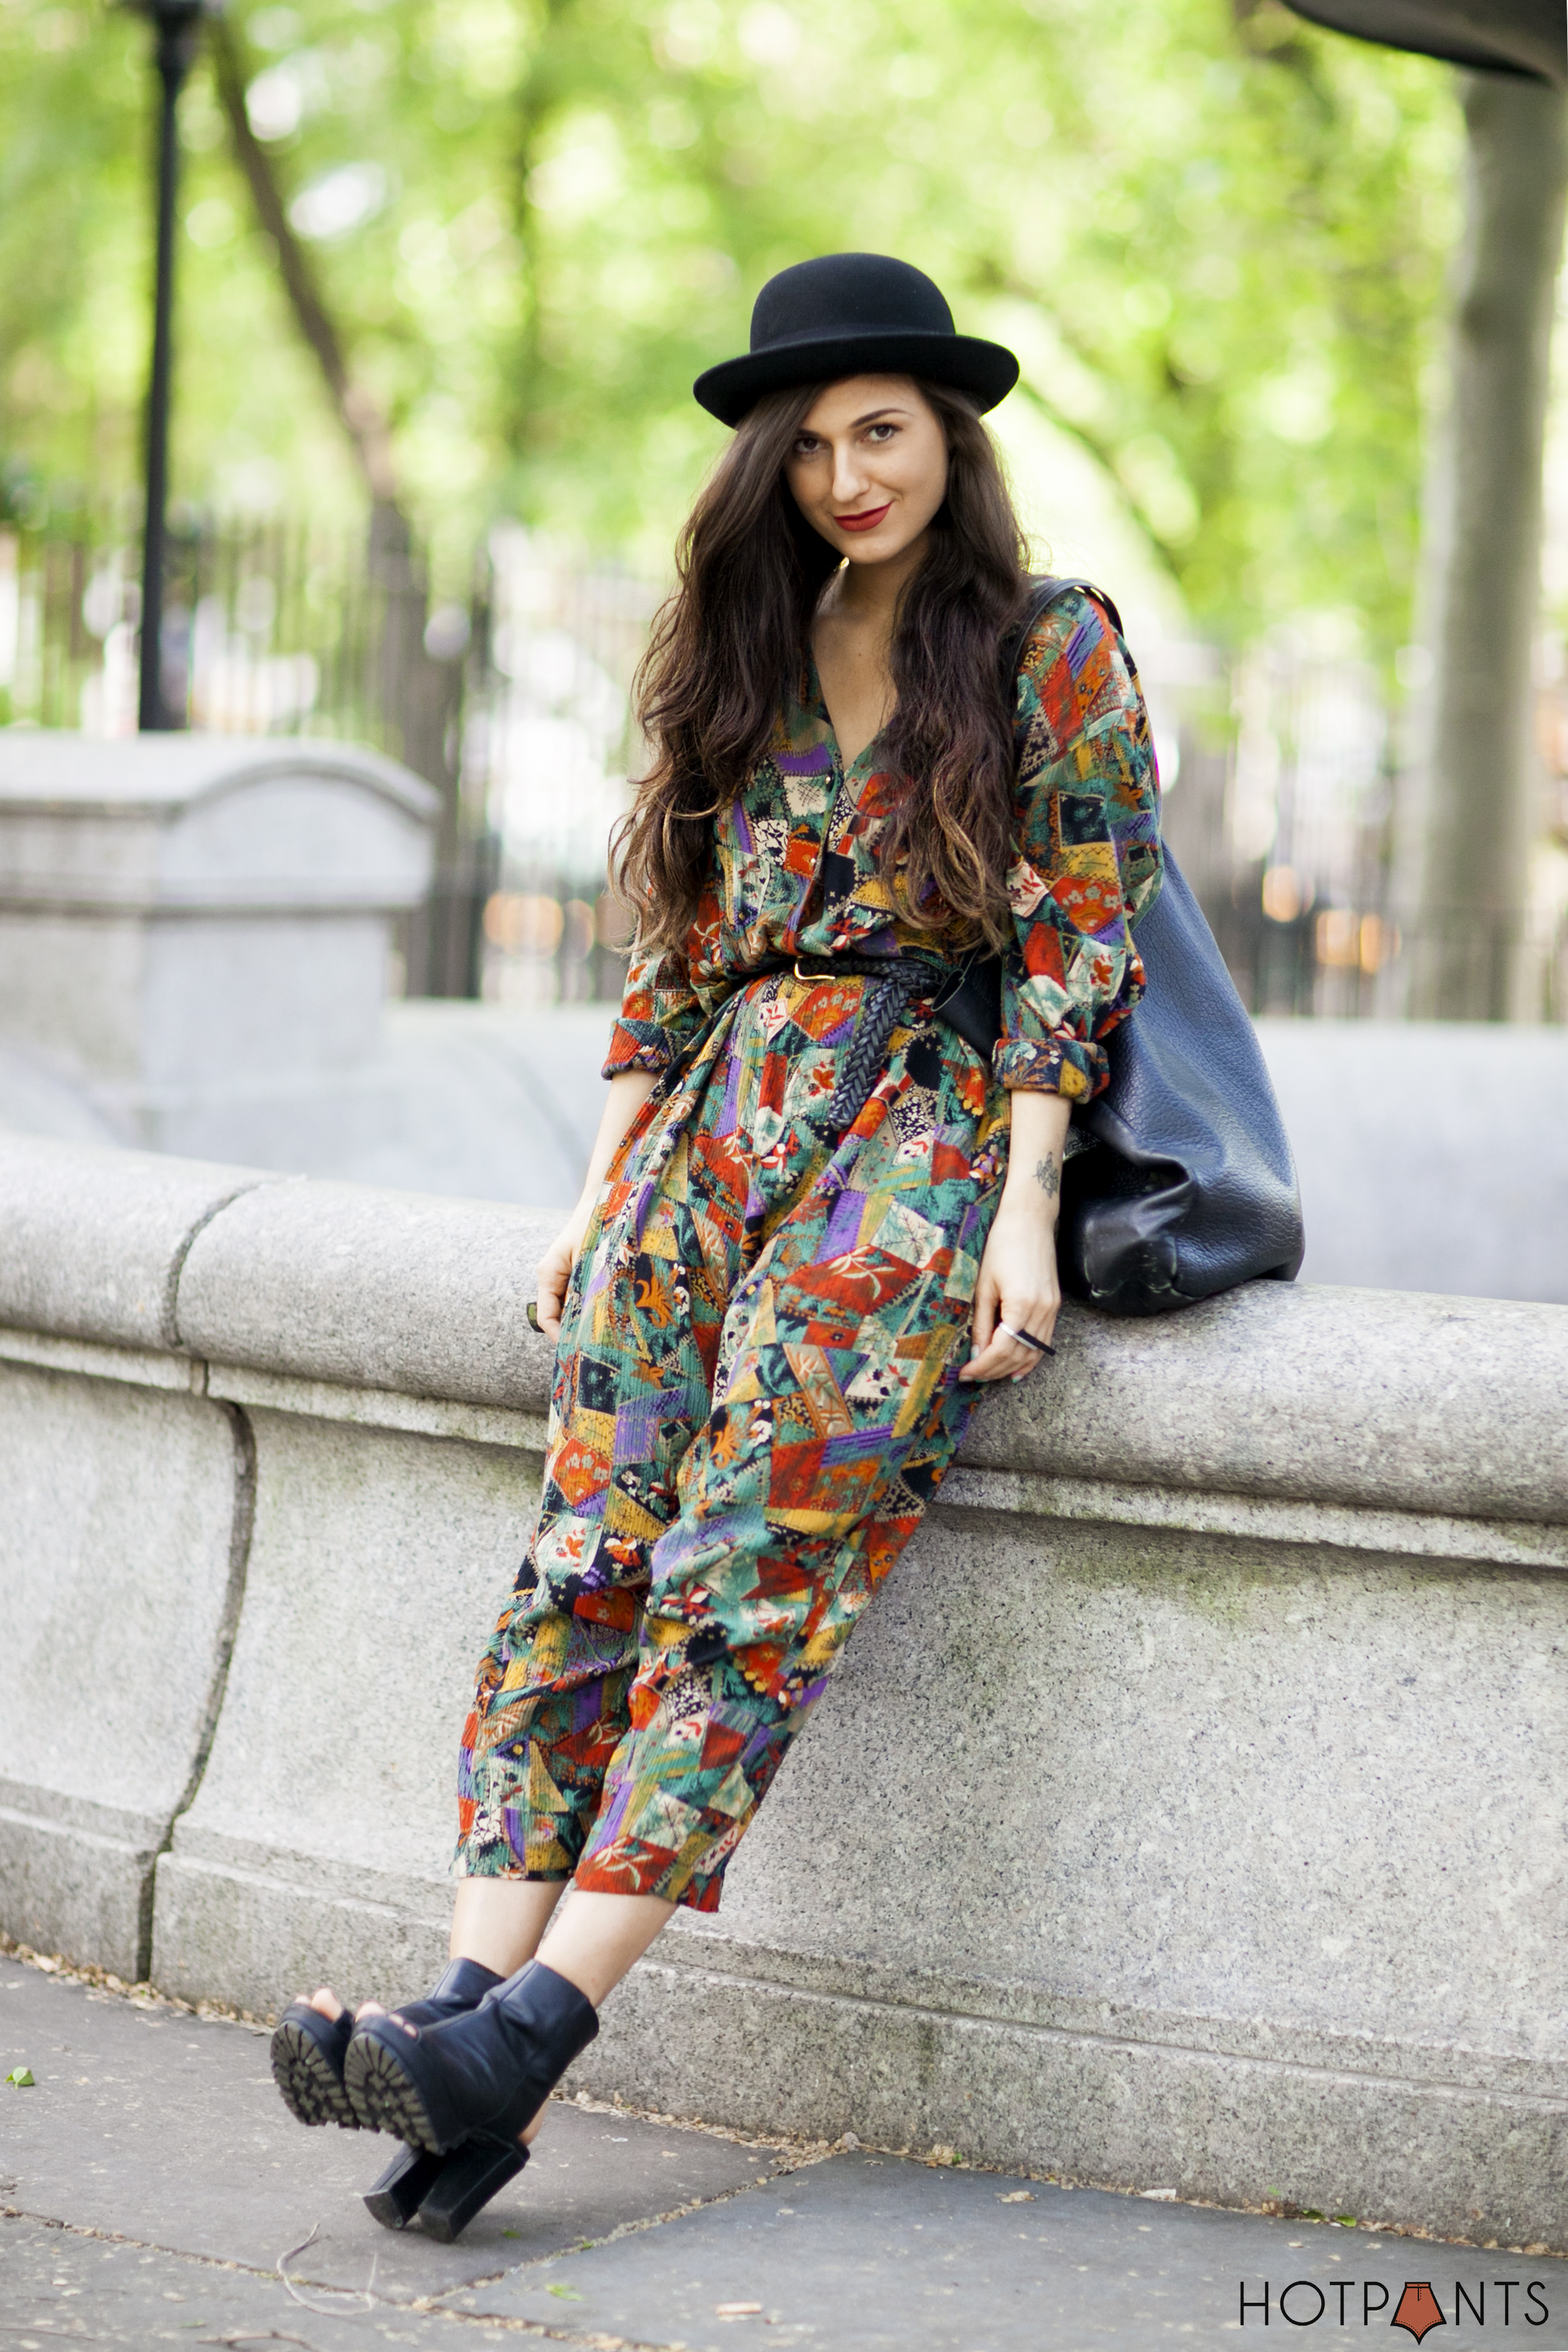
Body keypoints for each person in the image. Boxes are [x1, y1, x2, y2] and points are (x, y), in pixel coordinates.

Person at [269, 250, 1164, 2242]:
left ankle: (535, 2029)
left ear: (949, 439)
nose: (852, 472)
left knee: (752, 1562)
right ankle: (463, 2008)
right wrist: (601, 1198)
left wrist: (1023, 1209)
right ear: (768, 459)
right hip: (706, 1140)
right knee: (588, 1543)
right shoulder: (741, 650)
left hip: (910, 1134)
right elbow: (672, 956)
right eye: (820, 439)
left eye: (888, 431)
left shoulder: (1044, 644)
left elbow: (1075, 935)